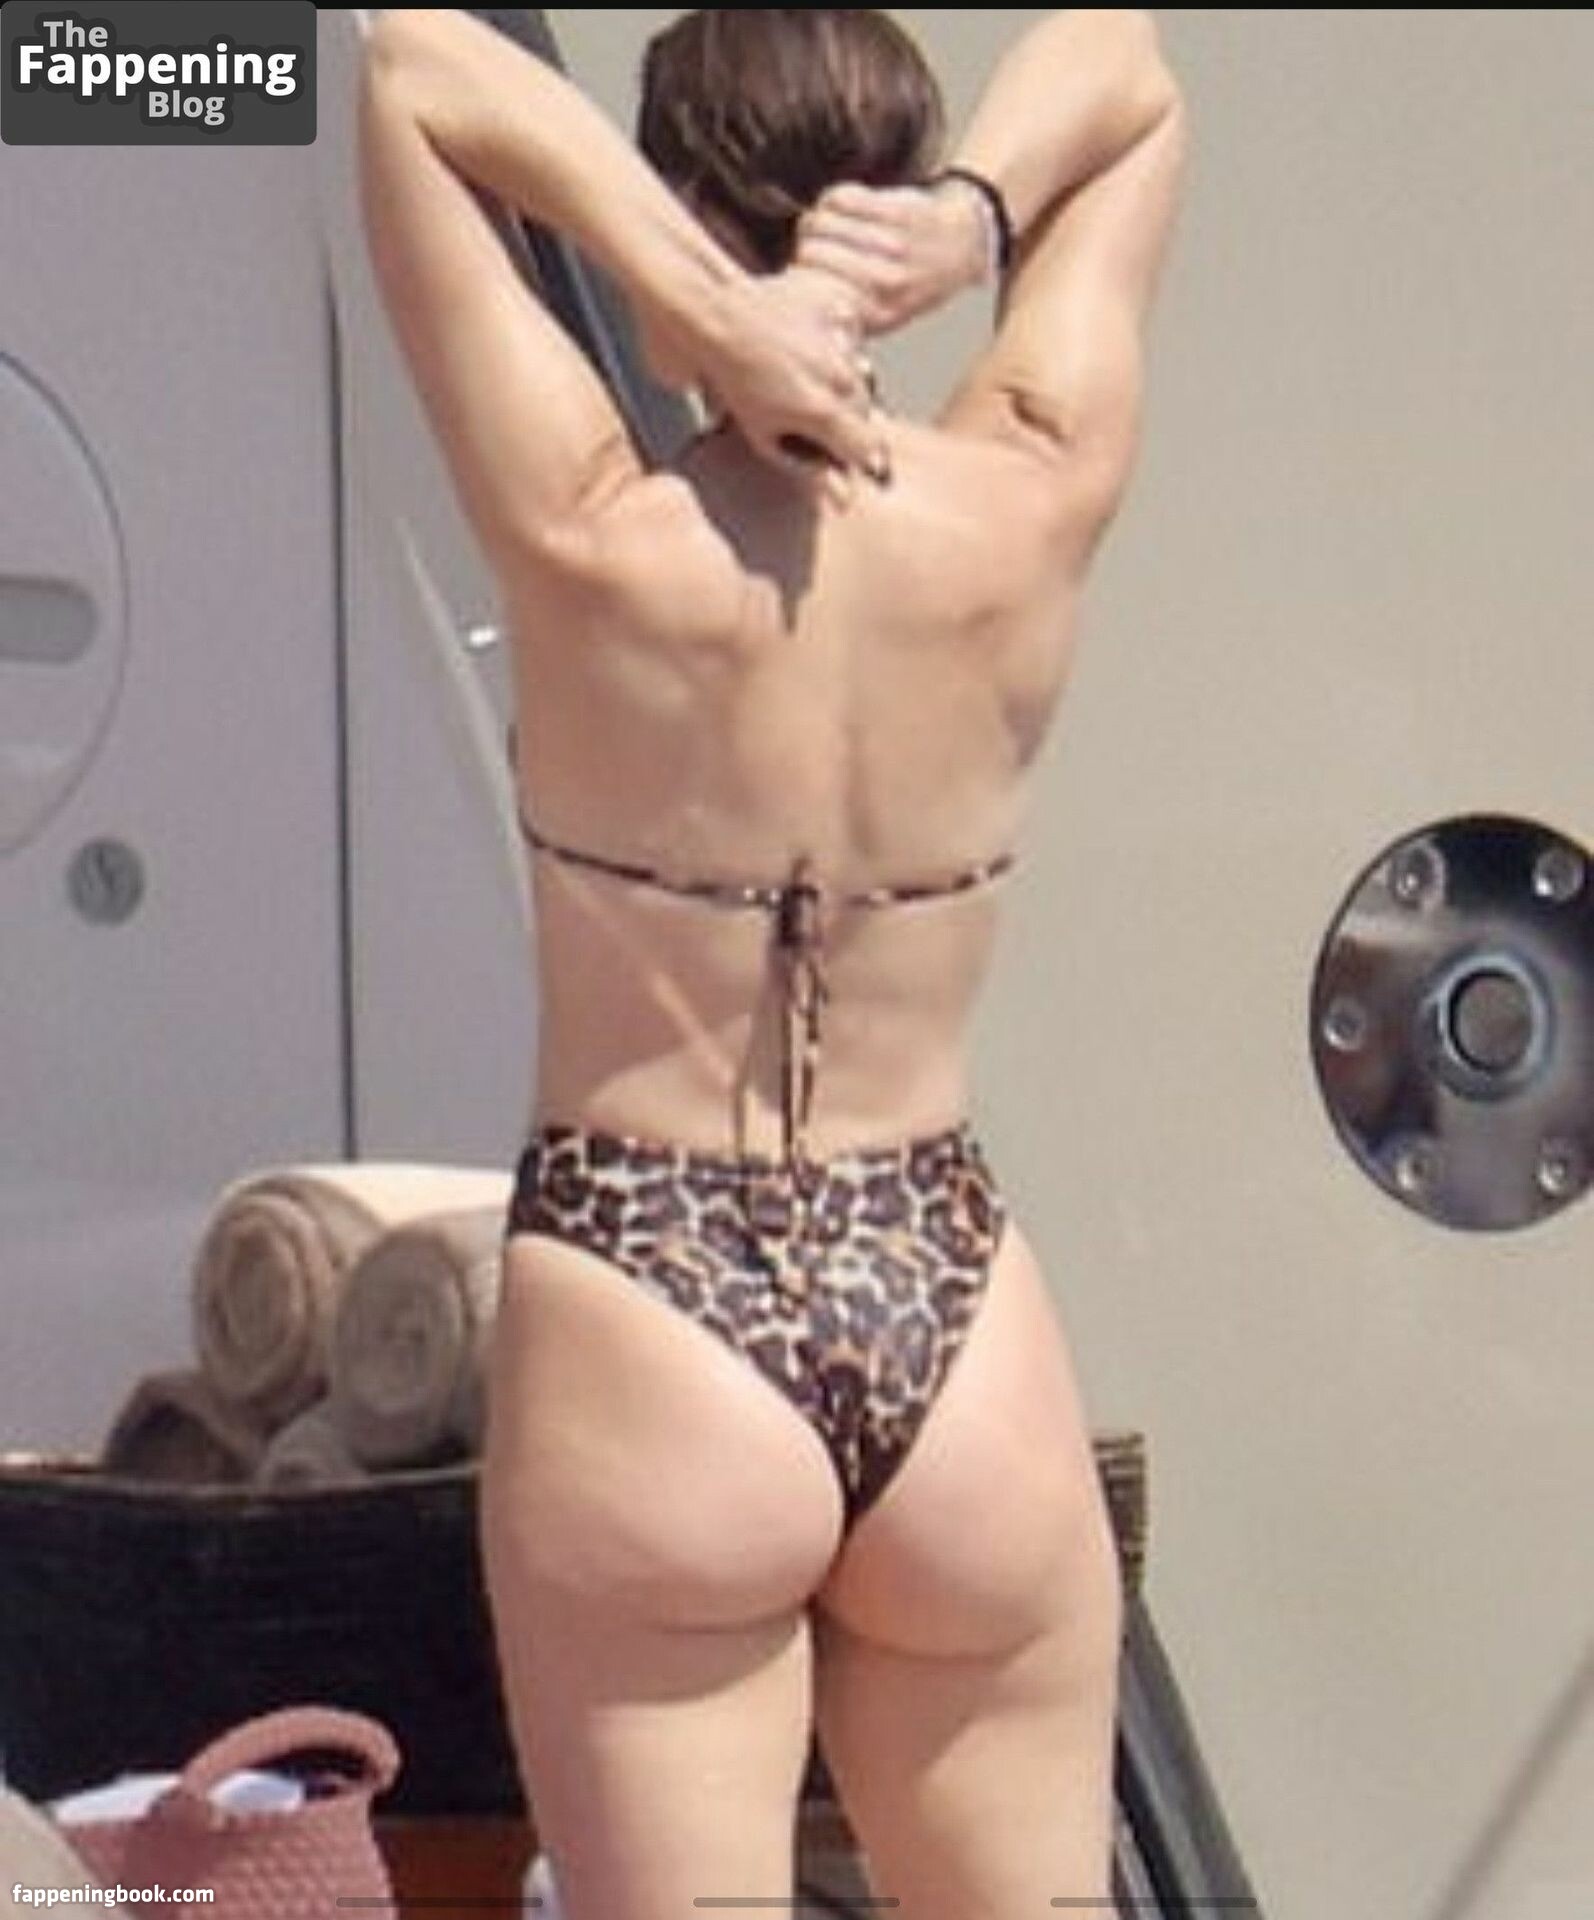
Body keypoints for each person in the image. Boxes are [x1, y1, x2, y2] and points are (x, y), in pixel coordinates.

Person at [358, 10, 1185, 1916]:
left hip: (648, 1290)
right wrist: (972, 222)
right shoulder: (1025, 500)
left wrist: (680, 293)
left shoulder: (591, 534)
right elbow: (1130, 76)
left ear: (679, 206)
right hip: (945, 1289)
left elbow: (408, 69)